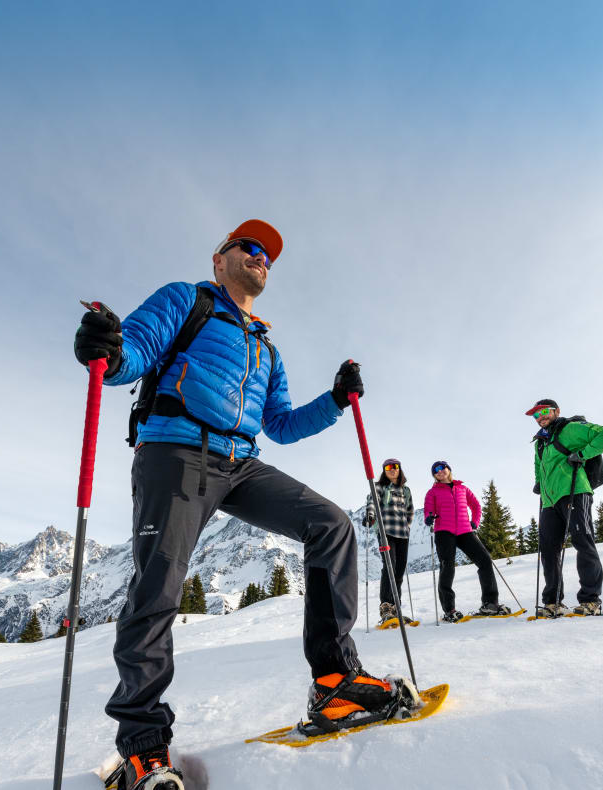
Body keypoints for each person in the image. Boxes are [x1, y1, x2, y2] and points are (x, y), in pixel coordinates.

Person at [74, 219, 407, 790]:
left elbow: (279, 424)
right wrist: (108, 348)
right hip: (176, 449)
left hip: (240, 462)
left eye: (268, 256)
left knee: (330, 524)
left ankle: (334, 681)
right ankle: (142, 745)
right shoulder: (188, 301)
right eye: (248, 249)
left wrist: (333, 400)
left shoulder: (265, 348)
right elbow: (135, 352)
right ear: (218, 259)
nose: (260, 258)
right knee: (159, 585)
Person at [526, 398, 603, 617]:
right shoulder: (540, 442)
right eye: (536, 415)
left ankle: (590, 601)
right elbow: (538, 467)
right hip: (549, 501)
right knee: (548, 551)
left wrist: (583, 454)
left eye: (545, 412)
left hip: (575, 491)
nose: (540, 417)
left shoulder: (571, 428)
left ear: (556, 411)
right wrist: (539, 482)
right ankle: (552, 602)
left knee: (582, 541)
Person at [423, 461, 509, 623]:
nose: (439, 471)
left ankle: (490, 603)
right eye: (435, 470)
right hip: (444, 532)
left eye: (442, 468)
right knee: (447, 567)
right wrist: (429, 517)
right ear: (434, 475)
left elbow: (476, 506)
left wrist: (474, 522)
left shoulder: (462, 489)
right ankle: (449, 609)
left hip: (465, 531)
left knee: (485, 561)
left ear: (449, 469)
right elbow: (428, 508)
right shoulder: (432, 492)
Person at [365, 458, 415, 624]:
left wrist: (407, 526)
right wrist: (371, 516)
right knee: (390, 566)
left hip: (402, 534)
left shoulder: (405, 490)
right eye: (388, 467)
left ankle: (396, 608)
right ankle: (386, 606)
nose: (392, 469)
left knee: (399, 570)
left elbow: (410, 510)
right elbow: (372, 502)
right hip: (386, 531)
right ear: (384, 470)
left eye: (395, 467)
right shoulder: (379, 487)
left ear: (399, 469)